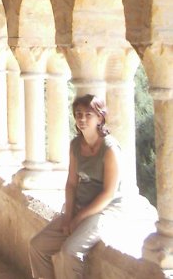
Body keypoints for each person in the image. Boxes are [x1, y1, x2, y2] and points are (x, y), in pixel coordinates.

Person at [29, 94, 122, 279]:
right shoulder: (75, 145)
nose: (82, 119)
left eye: (88, 114)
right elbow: (71, 184)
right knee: (37, 246)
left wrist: (77, 218)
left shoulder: (110, 148)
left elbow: (108, 193)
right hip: (80, 206)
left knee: (70, 252)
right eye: (78, 114)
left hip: (105, 211)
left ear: (100, 117)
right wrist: (68, 216)